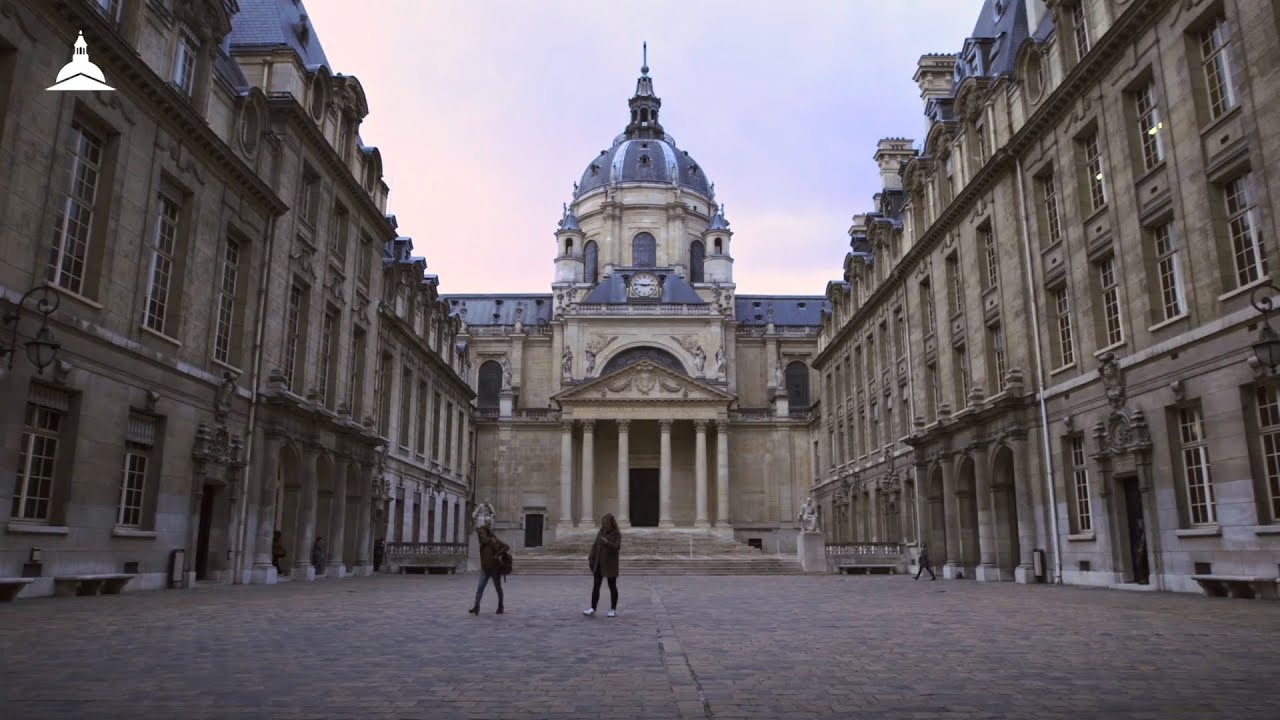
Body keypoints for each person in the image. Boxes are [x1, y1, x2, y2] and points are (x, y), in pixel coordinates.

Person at [584, 513, 622, 618]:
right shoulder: (601, 532)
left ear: (611, 522)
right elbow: (595, 545)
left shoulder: (616, 534)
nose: (604, 524)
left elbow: (617, 547)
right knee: (596, 586)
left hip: (610, 564)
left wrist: (607, 542)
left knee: (612, 586)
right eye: (603, 522)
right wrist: (591, 557)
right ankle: (592, 608)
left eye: (606, 522)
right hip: (599, 563)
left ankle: (613, 609)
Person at [470, 524, 509, 615]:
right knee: (480, 587)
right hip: (485, 569)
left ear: (487, 534)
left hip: (494, 569)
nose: (480, 535)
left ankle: (500, 606)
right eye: (480, 534)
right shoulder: (481, 542)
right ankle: (476, 606)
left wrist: (497, 555)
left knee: (498, 588)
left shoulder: (493, 541)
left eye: (482, 533)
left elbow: (506, 547)